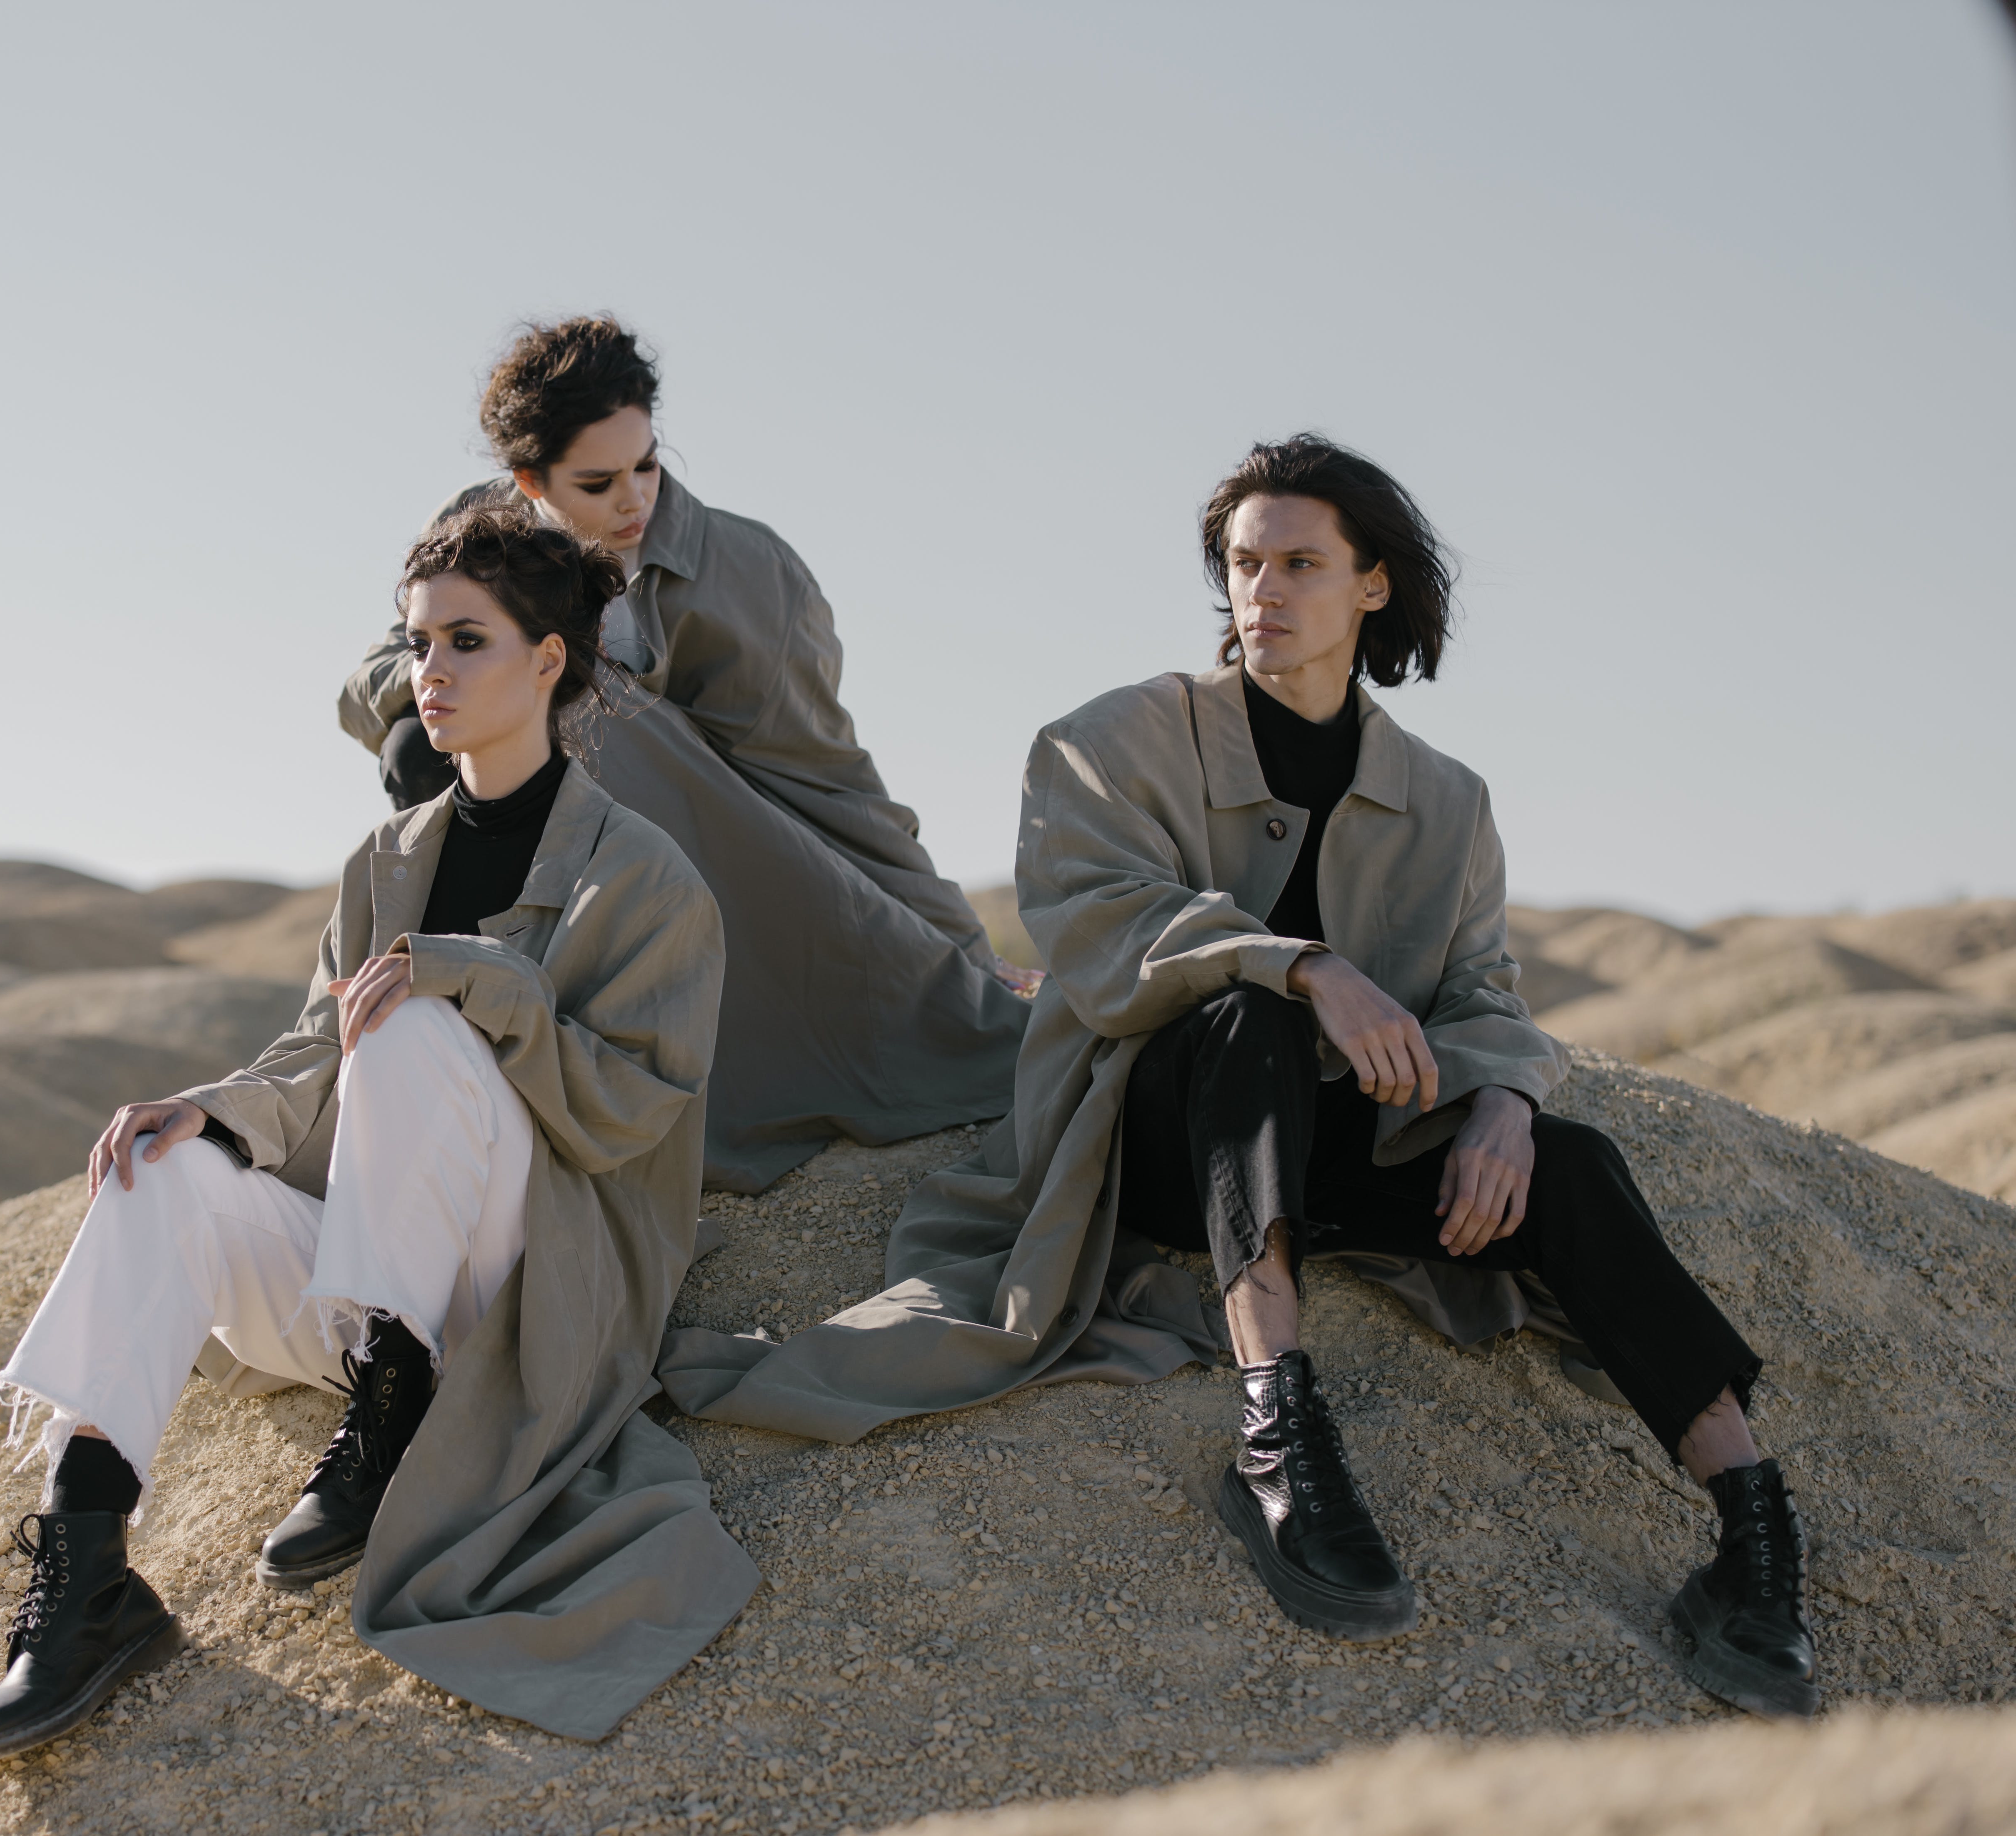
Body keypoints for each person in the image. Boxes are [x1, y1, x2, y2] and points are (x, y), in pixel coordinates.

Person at [662, 435, 1816, 1721]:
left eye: (1301, 563)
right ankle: (1280, 1431)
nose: (1263, 589)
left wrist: (1503, 1102)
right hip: (1148, 1137)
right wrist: (1305, 965)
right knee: (1246, 1024)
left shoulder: (1447, 799)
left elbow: (1485, 989)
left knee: (1574, 1162)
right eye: (1244, 562)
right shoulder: (1111, 740)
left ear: (1372, 586)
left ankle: (1751, 1533)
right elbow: (1095, 927)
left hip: (1334, 1148)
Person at [0, 505, 752, 1766]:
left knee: (422, 1019)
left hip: (525, 1289)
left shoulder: (643, 877)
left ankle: (398, 1409)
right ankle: (91, 1566)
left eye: (465, 641)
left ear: (549, 660)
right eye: (415, 642)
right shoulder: (385, 858)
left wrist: (478, 977)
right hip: (369, 1275)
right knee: (165, 1161)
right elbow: (311, 1052)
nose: (427, 673)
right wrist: (210, 1111)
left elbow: (628, 1115)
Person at [337, 316, 1029, 1191]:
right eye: (598, 482)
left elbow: (829, 775)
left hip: (719, 851)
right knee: (420, 743)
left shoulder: (748, 571)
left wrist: (958, 943)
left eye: (648, 466)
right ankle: (471, 1013)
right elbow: (365, 686)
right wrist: (478, 662)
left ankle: (603, 1067)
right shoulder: (479, 536)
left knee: (582, 703)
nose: (635, 502)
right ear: (528, 482)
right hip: (534, 834)